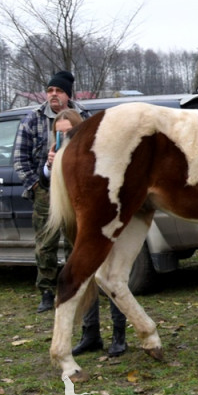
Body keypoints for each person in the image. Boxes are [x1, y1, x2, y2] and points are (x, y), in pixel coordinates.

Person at [42, 109, 128, 358]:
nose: (63, 138)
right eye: (59, 134)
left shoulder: (95, 154)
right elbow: (43, 180)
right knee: (83, 278)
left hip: (100, 225)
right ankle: (90, 334)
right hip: (75, 225)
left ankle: (119, 335)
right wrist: (50, 167)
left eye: (68, 133)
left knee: (111, 276)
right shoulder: (59, 155)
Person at [12, 70, 87, 313]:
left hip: (76, 188)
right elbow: (19, 158)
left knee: (76, 239)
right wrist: (35, 184)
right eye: (50, 90)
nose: (53, 95)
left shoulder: (84, 116)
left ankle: (77, 286)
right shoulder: (32, 119)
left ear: (68, 94)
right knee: (46, 243)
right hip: (45, 188)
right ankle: (46, 291)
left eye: (59, 91)